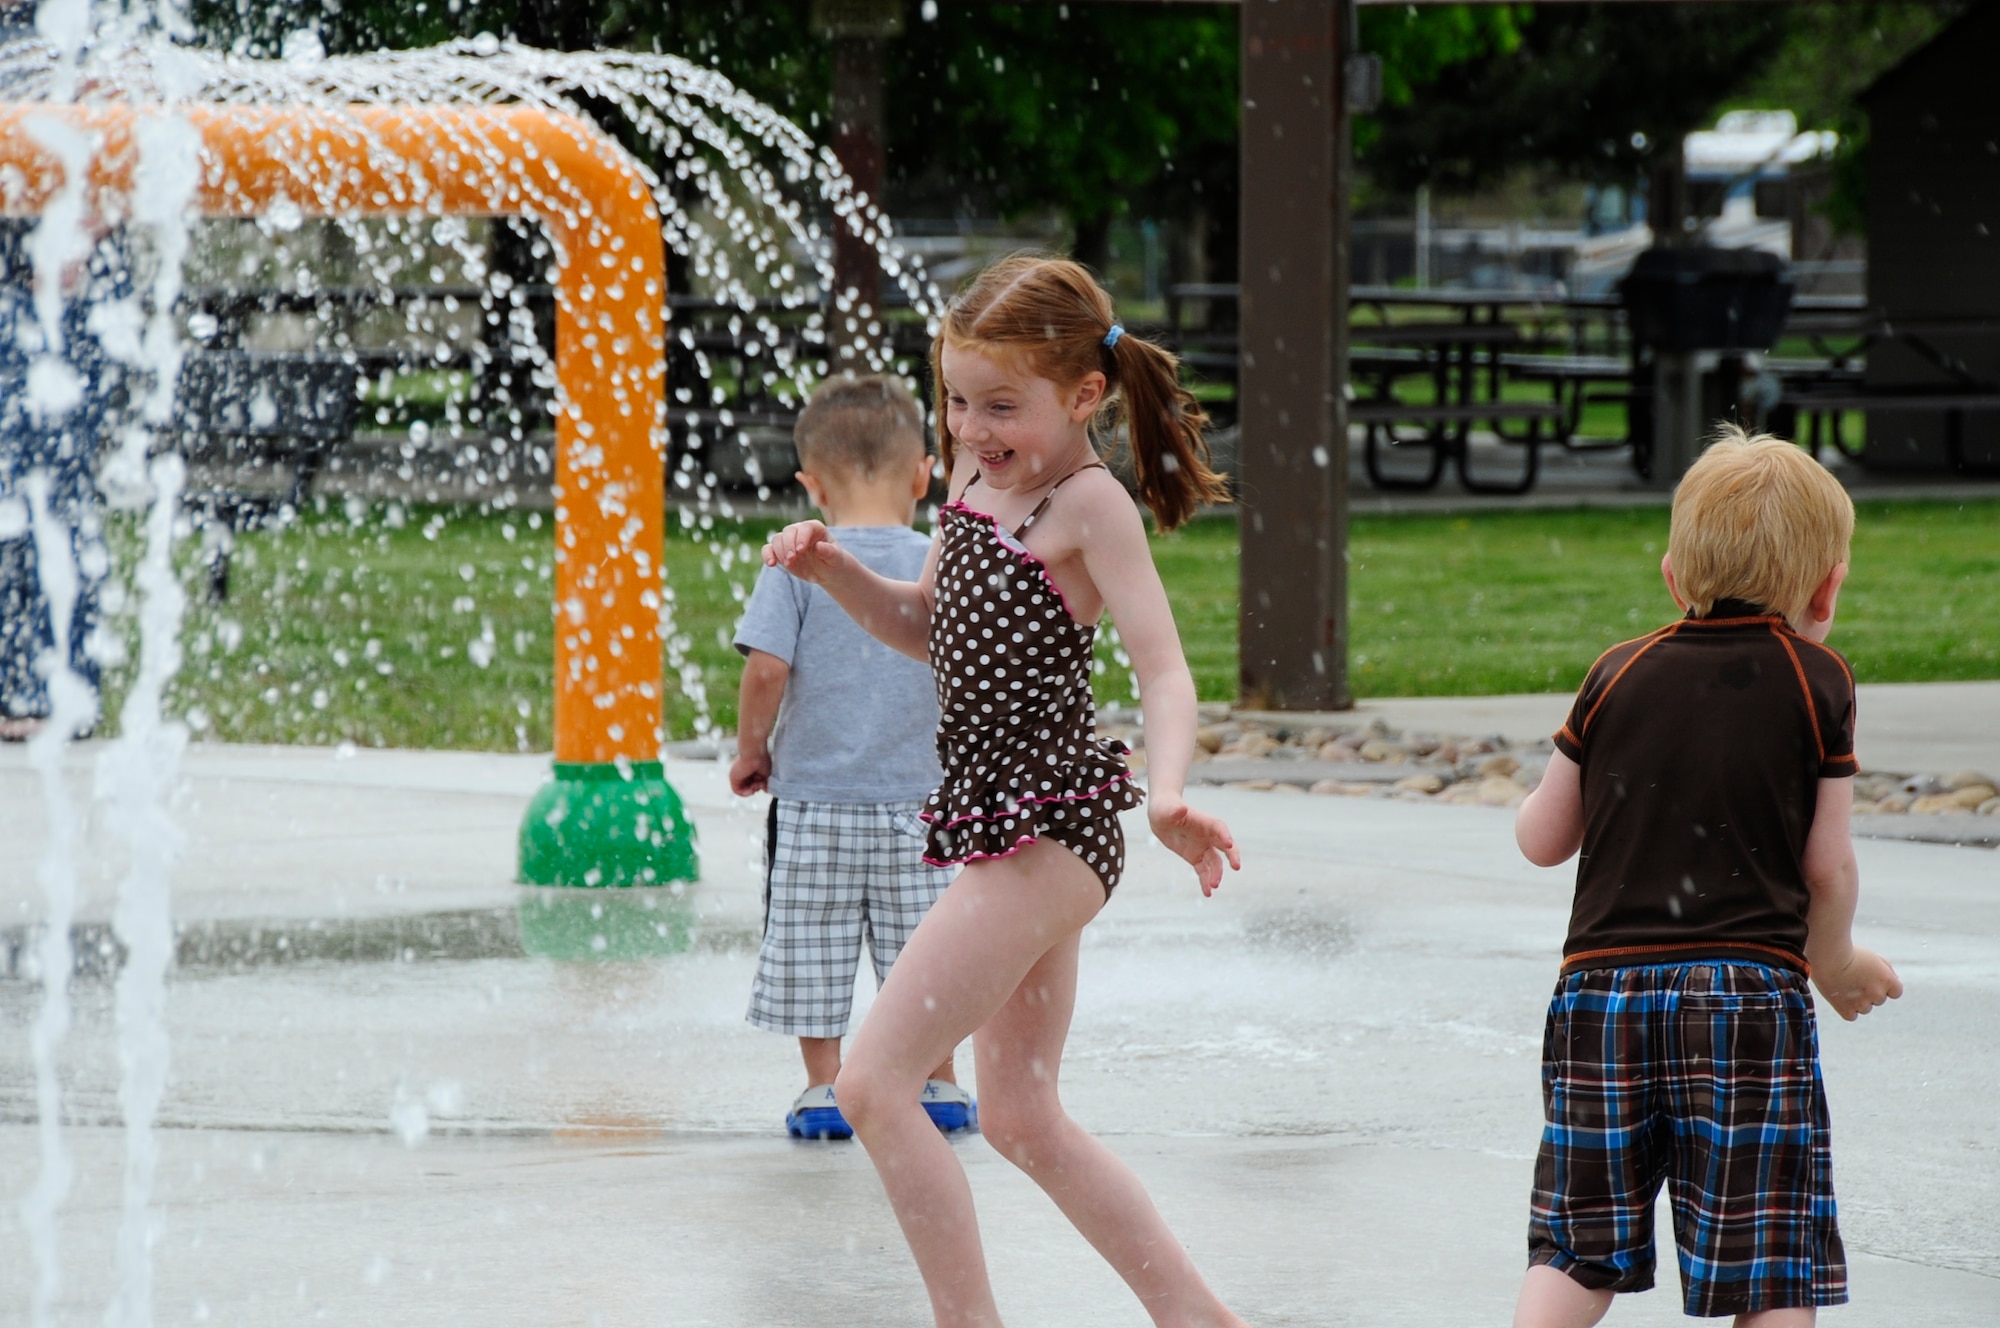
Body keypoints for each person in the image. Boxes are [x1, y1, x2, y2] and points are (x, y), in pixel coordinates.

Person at [764, 254, 1248, 1328]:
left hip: (1054, 827)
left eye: (1000, 405)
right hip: (999, 824)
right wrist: (835, 568)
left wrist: (1165, 796)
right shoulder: (974, 488)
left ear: (1084, 395)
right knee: (1023, 1115)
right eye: (955, 399)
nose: (972, 427)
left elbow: (1164, 669)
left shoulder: (1088, 504)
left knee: (872, 1082)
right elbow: (923, 629)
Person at [1510, 425, 1903, 1328]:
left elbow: (1543, 839)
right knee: (1766, 1258)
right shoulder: (1819, 683)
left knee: (1579, 1243)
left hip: (1601, 996)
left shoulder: (1615, 671)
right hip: (1746, 999)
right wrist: (1832, 960)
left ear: (1673, 577)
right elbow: (1826, 862)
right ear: (1827, 588)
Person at [730, 373, 974, 1140]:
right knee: (928, 949)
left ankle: (824, 1086)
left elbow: (766, 668)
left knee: (814, 940)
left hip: (817, 803)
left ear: (813, 485)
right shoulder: (935, 560)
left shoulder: (801, 562)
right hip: (921, 802)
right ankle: (938, 1082)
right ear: (920, 473)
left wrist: (752, 752)